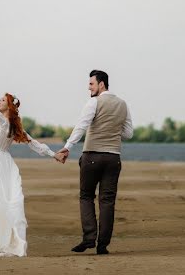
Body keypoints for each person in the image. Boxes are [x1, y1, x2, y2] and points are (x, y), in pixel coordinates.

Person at [0, 62, 62, 257]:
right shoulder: (14, 128)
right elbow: (35, 144)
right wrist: (53, 155)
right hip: (3, 162)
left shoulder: (3, 122)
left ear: (8, 107)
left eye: (2, 100)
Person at [55, 69, 133, 255]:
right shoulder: (123, 104)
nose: (88, 87)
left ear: (101, 84)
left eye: (91, 84)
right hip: (113, 158)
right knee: (107, 201)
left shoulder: (94, 102)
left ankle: (89, 238)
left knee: (86, 196)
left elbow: (81, 125)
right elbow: (129, 133)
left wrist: (68, 147)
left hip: (92, 156)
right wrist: (112, 129)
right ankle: (103, 245)